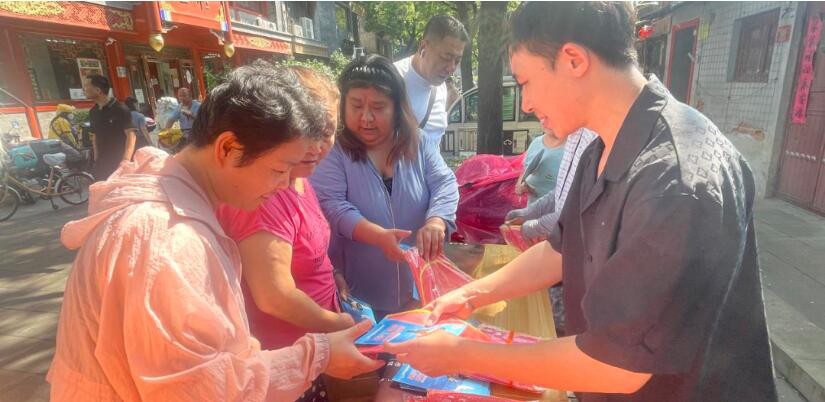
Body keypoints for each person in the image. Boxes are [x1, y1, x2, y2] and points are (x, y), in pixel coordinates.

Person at [383, 3, 777, 401]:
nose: (525, 104)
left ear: (573, 60)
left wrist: (462, 354)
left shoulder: (673, 182)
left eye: (525, 82)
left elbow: (617, 366)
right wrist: (470, 294)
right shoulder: (603, 146)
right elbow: (561, 248)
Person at [47, 62, 383, 401]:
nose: (285, 185)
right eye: (280, 169)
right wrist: (316, 356)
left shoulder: (175, 205)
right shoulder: (168, 236)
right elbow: (195, 389)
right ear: (227, 148)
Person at [216, 67, 349, 402]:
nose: (317, 146)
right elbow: (274, 295)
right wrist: (338, 324)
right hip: (283, 357)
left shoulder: (300, 178)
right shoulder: (265, 192)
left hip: (311, 347)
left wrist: (332, 276)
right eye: (308, 132)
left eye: (327, 132)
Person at [311, 55, 459, 320]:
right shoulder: (335, 151)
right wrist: (377, 236)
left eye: (378, 107)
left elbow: (444, 182)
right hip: (359, 296)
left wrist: (437, 220)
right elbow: (332, 205)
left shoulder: (417, 142)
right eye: (356, 106)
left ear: (396, 107)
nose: (366, 118)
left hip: (419, 290)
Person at [507, 128, 598, 336]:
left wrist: (534, 225)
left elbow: (573, 212)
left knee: (566, 327)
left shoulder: (594, 139)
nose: (533, 112)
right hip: (558, 244)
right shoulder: (575, 137)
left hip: (579, 254)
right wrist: (530, 212)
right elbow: (563, 191)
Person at [394, 15, 468, 149]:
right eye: (446, 57)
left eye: (457, 61)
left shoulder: (441, 88)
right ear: (423, 47)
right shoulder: (390, 79)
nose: (451, 68)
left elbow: (435, 142)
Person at [84, 74, 136, 180]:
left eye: (86, 86)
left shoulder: (120, 109)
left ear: (98, 90)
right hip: (102, 164)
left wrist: (126, 160)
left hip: (119, 163)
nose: (84, 89)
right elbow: (95, 135)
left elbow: (131, 135)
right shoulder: (93, 112)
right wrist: (96, 158)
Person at [515, 132, 565, 207]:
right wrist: (521, 184)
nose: (545, 125)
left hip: (558, 208)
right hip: (533, 206)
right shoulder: (536, 142)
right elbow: (525, 169)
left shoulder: (572, 148)